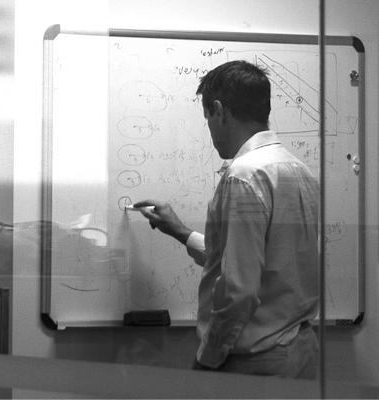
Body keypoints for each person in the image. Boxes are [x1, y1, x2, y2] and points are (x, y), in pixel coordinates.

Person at [134, 60, 319, 379]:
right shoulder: (298, 170)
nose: (209, 128)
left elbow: (239, 289)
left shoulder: (243, 176)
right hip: (300, 350)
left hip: (256, 363)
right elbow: (255, 261)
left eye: (207, 117)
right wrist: (180, 231)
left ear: (218, 111)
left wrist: (208, 358)